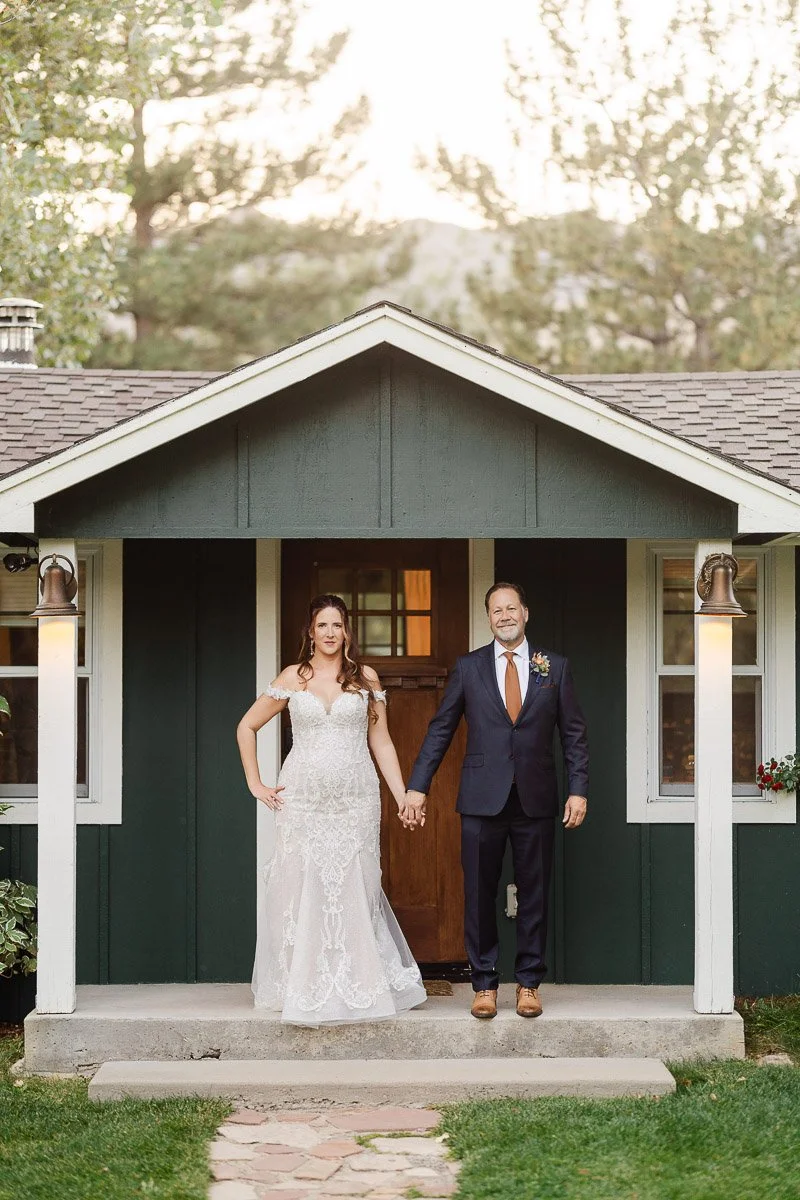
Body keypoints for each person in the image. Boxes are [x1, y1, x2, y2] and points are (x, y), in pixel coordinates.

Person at [237, 593, 426, 1026]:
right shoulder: (292, 677)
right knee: (302, 883)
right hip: (302, 800)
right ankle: (300, 983)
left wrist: (401, 794)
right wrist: (256, 783)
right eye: (321, 625)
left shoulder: (366, 679)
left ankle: (360, 982)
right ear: (310, 631)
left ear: (346, 632)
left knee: (355, 883)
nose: (329, 633)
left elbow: (381, 742)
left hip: (355, 799)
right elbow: (246, 726)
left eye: (336, 625)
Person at [404, 582, 588, 1020]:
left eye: (511, 608)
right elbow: (441, 729)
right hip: (481, 800)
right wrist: (418, 785)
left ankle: (528, 984)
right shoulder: (468, 668)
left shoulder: (554, 668)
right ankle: (483, 983)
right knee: (479, 893)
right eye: (495, 610)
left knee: (535, 893)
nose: (504, 615)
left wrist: (578, 789)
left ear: (526, 612)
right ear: (489, 618)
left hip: (536, 799)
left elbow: (574, 735)